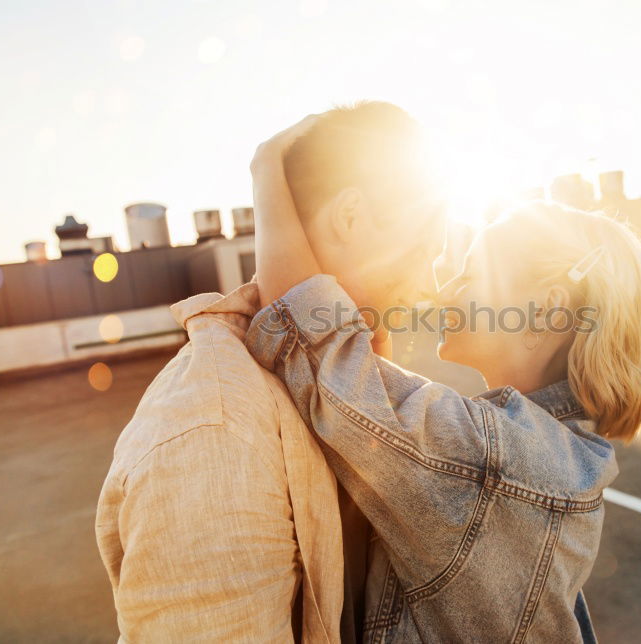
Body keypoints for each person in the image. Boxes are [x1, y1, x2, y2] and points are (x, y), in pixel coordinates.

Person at [246, 117, 641, 642]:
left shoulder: (498, 460)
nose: (445, 290)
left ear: (547, 311)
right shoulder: (543, 451)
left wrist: (266, 173)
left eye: (470, 274)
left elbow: (310, 341)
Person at [95, 102, 445, 642]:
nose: (431, 286)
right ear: (350, 217)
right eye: (422, 251)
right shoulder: (215, 433)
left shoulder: (350, 375)